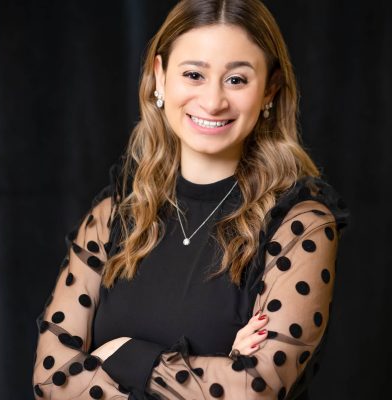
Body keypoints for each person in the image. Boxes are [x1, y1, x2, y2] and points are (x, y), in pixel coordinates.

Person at [32, 0, 349, 399]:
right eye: (194, 74)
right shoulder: (111, 218)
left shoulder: (299, 225)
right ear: (160, 77)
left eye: (236, 80)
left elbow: (256, 389)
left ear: (270, 88)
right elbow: (51, 380)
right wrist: (211, 378)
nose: (214, 101)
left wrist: (123, 355)